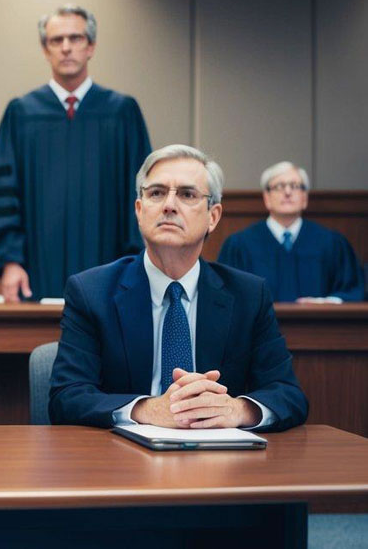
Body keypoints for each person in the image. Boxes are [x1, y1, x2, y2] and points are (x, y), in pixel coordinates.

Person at [49, 145, 308, 432]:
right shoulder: (91, 292)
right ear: (139, 210)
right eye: (156, 193)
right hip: (122, 462)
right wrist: (148, 408)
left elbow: (289, 394)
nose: (169, 205)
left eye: (187, 194)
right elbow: (66, 397)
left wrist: (238, 409)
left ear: (213, 216)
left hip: (222, 465)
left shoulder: (248, 295)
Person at [0, 4, 151, 302]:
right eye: (56, 41)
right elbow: (3, 193)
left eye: (76, 38)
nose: (66, 48)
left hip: (113, 267)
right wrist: (10, 261)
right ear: (45, 50)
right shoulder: (21, 113)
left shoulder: (122, 111)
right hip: (35, 268)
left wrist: (137, 263)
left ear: (91, 47)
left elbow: (142, 192)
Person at [218, 161, 363, 303]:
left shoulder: (331, 243)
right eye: (279, 186)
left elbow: (353, 290)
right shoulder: (240, 245)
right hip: (257, 327)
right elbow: (225, 296)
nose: (287, 192)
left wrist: (324, 303)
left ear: (305, 197)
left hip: (316, 326)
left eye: (295, 186)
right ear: (267, 197)